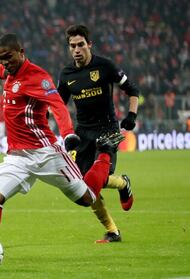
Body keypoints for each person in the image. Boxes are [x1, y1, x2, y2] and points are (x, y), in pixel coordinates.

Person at [0, 33, 125, 266]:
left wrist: (68, 133)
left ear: (21, 52)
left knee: (87, 198)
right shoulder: (8, 71)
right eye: (1, 59)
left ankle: (103, 153)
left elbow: (58, 105)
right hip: (16, 158)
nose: (5, 63)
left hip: (47, 154)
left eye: (8, 58)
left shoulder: (38, 78)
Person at [57, 24, 139, 242]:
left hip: (108, 131)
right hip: (83, 134)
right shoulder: (66, 75)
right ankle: (113, 230)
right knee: (83, 188)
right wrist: (62, 131)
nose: (76, 49)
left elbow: (132, 90)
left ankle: (122, 183)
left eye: (80, 45)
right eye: (72, 46)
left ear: (89, 44)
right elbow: (58, 105)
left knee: (95, 181)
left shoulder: (105, 66)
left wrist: (132, 115)